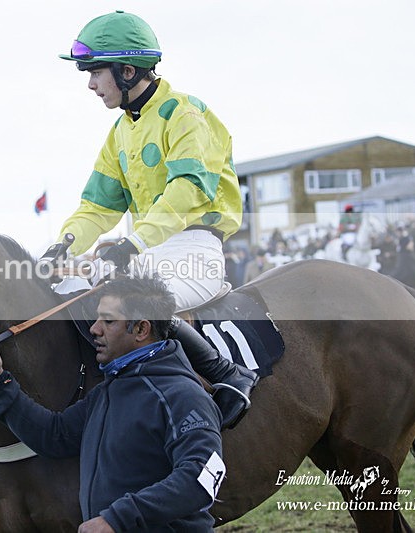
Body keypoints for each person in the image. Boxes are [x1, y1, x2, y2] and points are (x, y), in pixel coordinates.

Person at [43, 10, 257, 427]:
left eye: (94, 72)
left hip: (194, 247)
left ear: (126, 71)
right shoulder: (120, 132)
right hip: (144, 249)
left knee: (134, 303)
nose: (89, 84)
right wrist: (65, 242)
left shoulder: (186, 115)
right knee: (70, 289)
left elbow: (187, 190)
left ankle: (228, 375)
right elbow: (98, 206)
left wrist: (133, 243)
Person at [0, 277, 225, 532]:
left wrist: (116, 519)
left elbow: (201, 478)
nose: (94, 328)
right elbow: (54, 436)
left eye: (108, 321)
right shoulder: (108, 392)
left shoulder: (183, 395)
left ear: (142, 329)